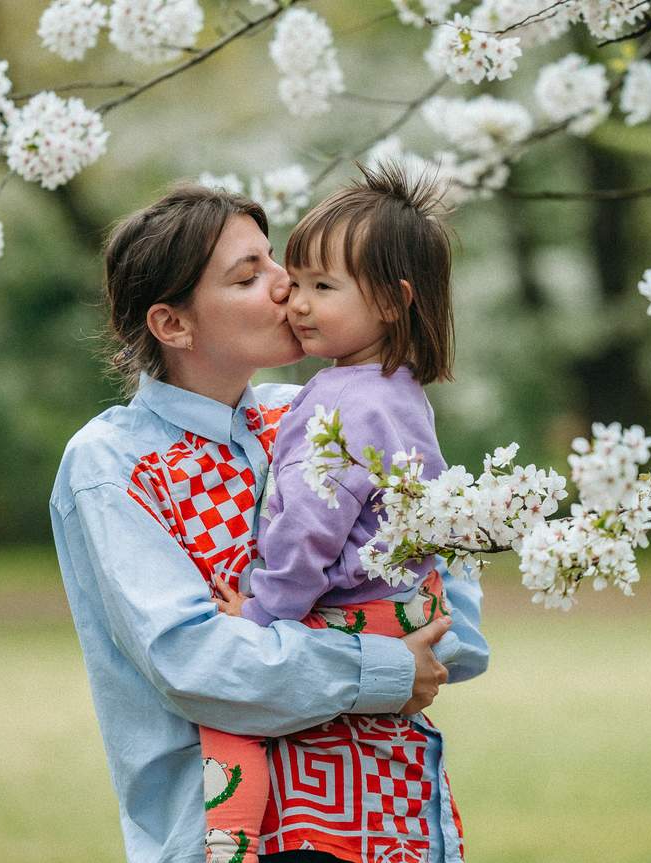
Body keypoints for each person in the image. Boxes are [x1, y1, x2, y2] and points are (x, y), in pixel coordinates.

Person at [49, 182, 488, 863]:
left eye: (276, 260)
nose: (287, 286)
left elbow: (444, 591)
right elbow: (196, 663)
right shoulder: (112, 464)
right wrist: (385, 668)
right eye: (249, 275)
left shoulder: (318, 408)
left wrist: (425, 646)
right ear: (173, 325)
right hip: (234, 836)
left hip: (392, 813)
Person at [202, 163, 467, 863]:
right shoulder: (396, 389)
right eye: (297, 282)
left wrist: (262, 614)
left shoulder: (342, 402)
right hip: (403, 602)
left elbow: (308, 529)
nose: (297, 303)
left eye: (323, 287)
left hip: (352, 609)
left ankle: (230, 846)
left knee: (229, 716)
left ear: (393, 300)